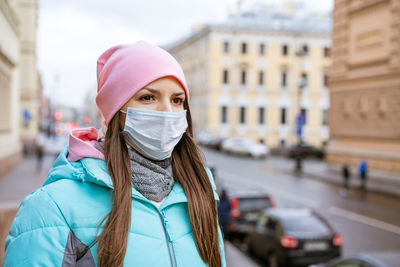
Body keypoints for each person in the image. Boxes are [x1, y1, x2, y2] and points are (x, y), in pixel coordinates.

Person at [4, 41, 226, 267]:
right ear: (114, 110)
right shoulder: (52, 208)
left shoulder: (199, 194)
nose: (168, 112)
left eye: (177, 100)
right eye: (148, 97)